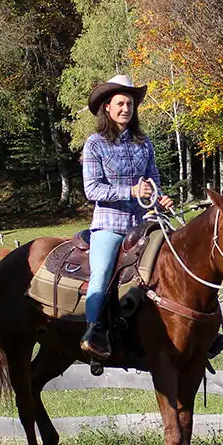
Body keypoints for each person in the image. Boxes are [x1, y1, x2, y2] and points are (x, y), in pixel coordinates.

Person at [80, 74, 173, 359]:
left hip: (144, 224)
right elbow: (92, 189)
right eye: (120, 103)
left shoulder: (143, 144)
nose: (126, 109)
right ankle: (93, 331)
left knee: (173, 264)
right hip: (109, 224)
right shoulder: (95, 144)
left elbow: (153, 181)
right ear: (107, 107)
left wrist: (159, 198)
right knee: (102, 273)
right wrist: (131, 191)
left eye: (130, 104)